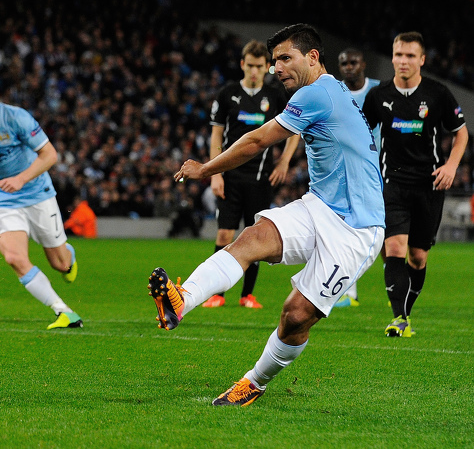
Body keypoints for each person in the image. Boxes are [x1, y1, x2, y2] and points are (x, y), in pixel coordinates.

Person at [151, 24, 384, 406]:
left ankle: (254, 382)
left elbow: (258, 140)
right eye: (274, 60)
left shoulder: (317, 93)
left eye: (284, 58)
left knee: (295, 316)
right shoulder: (328, 91)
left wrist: (206, 169)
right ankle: (182, 299)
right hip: (320, 205)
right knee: (252, 237)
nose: (276, 68)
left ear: (312, 57)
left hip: (357, 228)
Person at [0, 72, 81, 330]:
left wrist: (21, 179)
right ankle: (63, 312)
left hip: (37, 192)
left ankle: (68, 258)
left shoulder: (17, 118)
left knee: (60, 263)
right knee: (13, 257)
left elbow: (49, 155)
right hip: (0, 200)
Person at [363, 32, 468, 337]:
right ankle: (398, 318)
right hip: (393, 181)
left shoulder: (437, 93)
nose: (403, 61)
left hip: (430, 184)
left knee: (418, 257)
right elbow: (361, 133)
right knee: (394, 247)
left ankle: (405, 311)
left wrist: (450, 166)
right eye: (398, 55)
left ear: (421, 60)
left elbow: (461, 133)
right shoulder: (378, 95)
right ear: (392, 56)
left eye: (410, 56)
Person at [204, 40, 300, 309]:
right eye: (251, 65)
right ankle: (217, 293)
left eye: (261, 66)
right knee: (224, 235)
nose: (256, 71)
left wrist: (284, 163)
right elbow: (215, 138)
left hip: (260, 179)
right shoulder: (227, 95)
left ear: (266, 67)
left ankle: (247, 295)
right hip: (230, 177)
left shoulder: (275, 96)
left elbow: (295, 131)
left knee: (255, 236)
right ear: (242, 64)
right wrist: (215, 173)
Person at [333, 47, 381, 307]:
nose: (348, 67)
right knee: (347, 231)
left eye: (353, 62)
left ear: (363, 63)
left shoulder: (379, 90)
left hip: (380, 172)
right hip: (345, 172)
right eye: (343, 63)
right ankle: (347, 291)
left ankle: (395, 289)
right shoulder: (334, 92)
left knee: (389, 235)